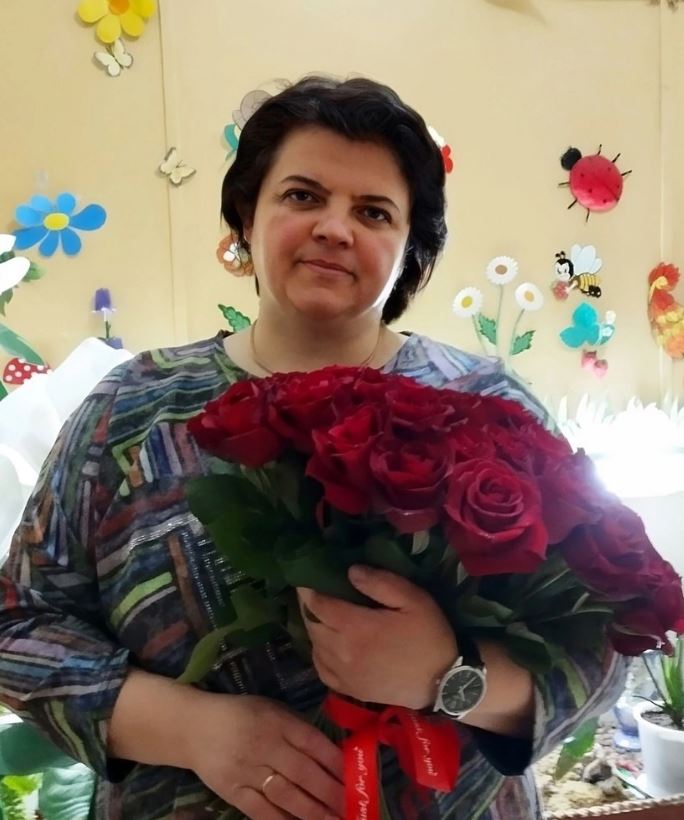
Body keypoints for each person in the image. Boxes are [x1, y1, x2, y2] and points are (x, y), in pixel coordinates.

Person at [0, 75, 627, 820]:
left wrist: (449, 678)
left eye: (373, 211)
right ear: (247, 216)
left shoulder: (488, 404)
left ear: (410, 247)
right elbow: (20, 624)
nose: (335, 227)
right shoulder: (135, 407)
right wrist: (193, 729)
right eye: (303, 196)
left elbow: (604, 644)